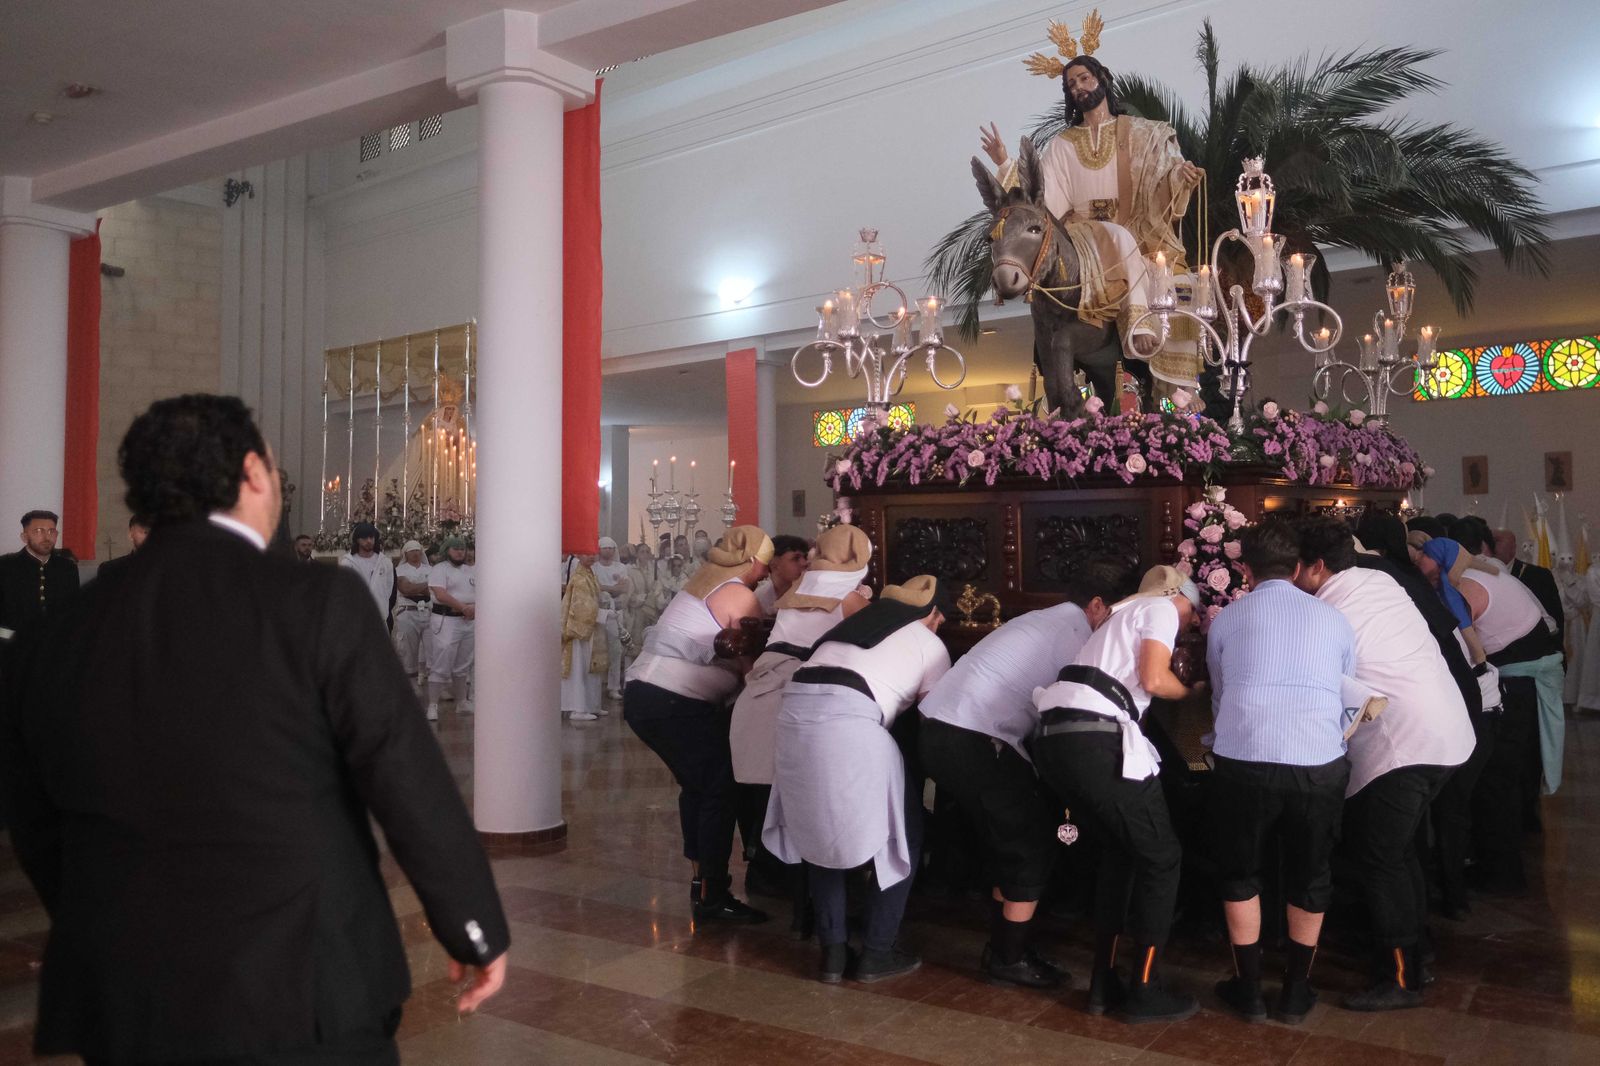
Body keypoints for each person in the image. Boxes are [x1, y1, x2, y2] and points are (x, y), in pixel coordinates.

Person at [0, 394, 507, 1063]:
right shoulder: (317, 602)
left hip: (124, 994)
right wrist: (472, 927)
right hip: (302, 986)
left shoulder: (49, 639)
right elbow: (404, 777)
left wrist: (100, 924)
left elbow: (31, 814)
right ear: (254, 473)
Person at [1294, 517, 1474, 1011]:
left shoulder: (1322, 611)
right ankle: (1416, 955)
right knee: (1399, 853)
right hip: (1448, 731)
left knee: (1380, 859)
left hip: (1405, 744)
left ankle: (1400, 979)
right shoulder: (1380, 579)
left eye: (1296, 570)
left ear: (1316, 567)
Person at [920, 560, 1124, 989]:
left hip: (942, 729)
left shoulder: (1045, 618)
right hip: (971, 738)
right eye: (1116, 613)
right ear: (1097, 604)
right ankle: (1008, 958)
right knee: (1028, 845)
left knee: (1015, 840)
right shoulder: (1075, 635)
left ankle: (1007, 947)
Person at [981, 16, 1203, 391]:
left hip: (1137, 232)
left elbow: (1161, 176)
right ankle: (1129, 325)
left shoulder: (1141, 133)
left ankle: (1147, 335)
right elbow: (1038, 199)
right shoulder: (1064, 144)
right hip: (1083, 237)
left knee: (1144, 254)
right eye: (1071, 84)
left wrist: (1178, 179)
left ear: (1101, 80)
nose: (1079, 87)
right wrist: (1004, 161)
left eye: (1084, 78)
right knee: (1111, 236)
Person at [1032, 564, 1200, 1023]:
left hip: (1054, 736)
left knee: (1121, 854)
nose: (1191, 624)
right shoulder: (1161, 609)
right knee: (1162, 859)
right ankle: (1144, 989)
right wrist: (1191, 693)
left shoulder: (1115, 617)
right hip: (1093, 739)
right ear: (1178, 595)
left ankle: (1103, 984)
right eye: (1194, 613)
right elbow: (1153, 679)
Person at [764, 576, 951, 984]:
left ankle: (833, 951)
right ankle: (878, 951)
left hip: (794, 720)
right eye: (939, 619)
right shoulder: (930, 643)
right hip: (850, 722)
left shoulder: (845, 630)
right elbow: (932, 718)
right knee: (904, 832)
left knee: (816, 832)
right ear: (932, 614)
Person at [1206, 519, 1355, 1026]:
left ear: (1244, 570)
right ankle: (1295, 992)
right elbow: (1345, 689)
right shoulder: (1333, 618)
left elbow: (1221, 693)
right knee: (1311, 874)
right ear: (1297, 568)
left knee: (1240, 872)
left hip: (1243, 761)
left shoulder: (1226, 619)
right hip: (1317, 763)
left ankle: (1248, 993)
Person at [625, 526, 773, 923]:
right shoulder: (739, 593)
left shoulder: (701, 582)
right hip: (672, 702)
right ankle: (713, 894)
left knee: (700, 786)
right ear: (753, 559)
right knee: (719, 788)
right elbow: (752, 662)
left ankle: (702, 884)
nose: (765, 573)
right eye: (765, 565)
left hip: (646, 695)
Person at [730, 526, 872, 905]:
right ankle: (807, 881)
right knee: (800, 794)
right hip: (800, 697)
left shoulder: (799, 586)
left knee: (757, 789)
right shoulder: (851, 595)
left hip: (757, 695)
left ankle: (764, 871)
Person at [1453, 522, 1565, 796]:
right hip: (1517, 672)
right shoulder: (1491, 573)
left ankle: (1524, 814)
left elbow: (1552, 623)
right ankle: (1523, 815)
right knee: (1514, 762)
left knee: (1514, 761)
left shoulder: (1477, 577)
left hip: (1521, 677)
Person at [0, 510, 80, 650]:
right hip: (13, 646)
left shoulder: (67, 567)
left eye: (51, 531)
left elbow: (73, 609)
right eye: (38, 531)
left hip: (57, 646)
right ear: (24, 537)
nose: (46, 537)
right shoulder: (5, 566)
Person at [426, 537, 476, 720]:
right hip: (446, 620)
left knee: (463, 663)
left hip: (468, 621)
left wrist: (473, 609)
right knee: (442, 660)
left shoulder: (471, 571)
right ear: (447, 551)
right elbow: (441, 594)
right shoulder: (440, 569)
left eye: (462, 549)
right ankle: (433, 704)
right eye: (455, 549)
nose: (460, 552)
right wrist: (463, 607)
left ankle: (461, 701)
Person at [560, 553, 606, 721]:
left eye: (593, 553)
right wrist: (603, 614)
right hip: (578, 630)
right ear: (579, 555)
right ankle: (577, 708)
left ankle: (592, 705)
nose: (592, 557)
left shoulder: (589, 574)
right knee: (579, 667)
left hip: (590, 629)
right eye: (587, 554)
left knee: (591, 667)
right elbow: (582, 608)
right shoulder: (579, 578)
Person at [592, 537, 631, 699]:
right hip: (599, 613)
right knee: (598, 649)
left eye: (611, 548)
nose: (608, 550)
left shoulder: (621, 567)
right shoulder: (594, 568)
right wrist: (611, 589)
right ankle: (596, 685)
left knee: (616, 649)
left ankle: (613, 686)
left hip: (617, 612)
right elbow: (595, 588)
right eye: (605, 547)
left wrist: (606, 588)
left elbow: (623, 588)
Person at [393, 539, 432, 686]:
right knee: (408, 651)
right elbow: (405, 589)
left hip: (428, 613)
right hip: (408, 612)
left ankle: (437, 684)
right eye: (412, 551)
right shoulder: (400, 570)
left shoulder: (430, 569)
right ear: (406, 554)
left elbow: (434, 590)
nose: (415, 554)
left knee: (432, 649)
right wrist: (426, 586)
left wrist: (415, 587)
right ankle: (411, 686)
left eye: (417, 550)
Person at [340, 521, 395, 623]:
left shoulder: (385, 562)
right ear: (357, 540)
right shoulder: (347, 563)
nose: (369, 541)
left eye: (371, 537)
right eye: (364, 538)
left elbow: (388, 589)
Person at [754, 534, 811, 617]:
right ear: (774, 565)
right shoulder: (759, 600)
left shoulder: (812, 594)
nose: (805, 563)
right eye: (796, 558)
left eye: (805, 557)